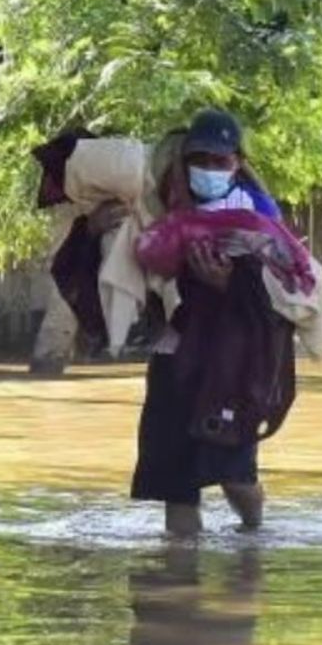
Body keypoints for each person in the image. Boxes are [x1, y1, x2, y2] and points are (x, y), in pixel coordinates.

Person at [132, 109, 290, 538]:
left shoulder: (259, 214)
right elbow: (127, 269)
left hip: (236, 360)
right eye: (199, 159)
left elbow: (283, 299)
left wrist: (227, 284)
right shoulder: (158, 205)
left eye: (219, 161)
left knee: (235, 474)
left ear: (237, 162)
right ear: (183, 161)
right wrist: (99, 227)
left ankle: (255, 534)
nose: (208, 169)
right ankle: (178, 586)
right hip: (180, 355)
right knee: (176, 485)